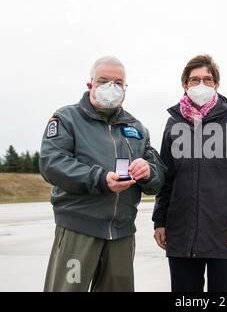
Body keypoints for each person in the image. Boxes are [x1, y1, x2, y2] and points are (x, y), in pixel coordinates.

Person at [40, 56, 166, 292]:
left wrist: (148, 172)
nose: (112, 87)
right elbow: (52, 163)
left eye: (118, 83)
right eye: (104, 81)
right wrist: (99, 179)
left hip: (122, 233)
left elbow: (158, 175)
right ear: (91, 85)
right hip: (79, 230)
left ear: (125, 89)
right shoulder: (67, 119)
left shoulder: (137, 128)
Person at [152, 55, 227, 292]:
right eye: (194, 80)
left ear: (217, 85)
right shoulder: (173, 123)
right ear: (184, 85)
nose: (201, 85)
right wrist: (160, 220)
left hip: (226, 233)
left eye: (207, 80)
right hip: (181, 233)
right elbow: (166, 177)